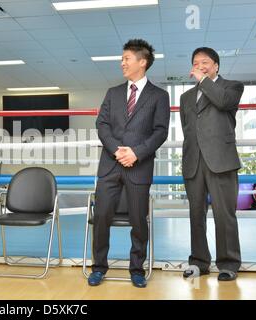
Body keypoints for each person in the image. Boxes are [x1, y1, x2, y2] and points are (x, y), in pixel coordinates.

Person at [89, 39, 170, 288]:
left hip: (139, 166)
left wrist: (136, 153)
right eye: (122, 58)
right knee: (101, 217)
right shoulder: (112, 93)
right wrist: (117, 151)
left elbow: (160, 132)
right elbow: (101, 125)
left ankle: (137, 269)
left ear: (142, 62)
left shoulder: (160, 96)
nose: (122, 62)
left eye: (126, 58)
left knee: (138, 220)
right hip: (110, 165)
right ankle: (99, 267)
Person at [180, 47, 243, 281]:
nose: (200, 65)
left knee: (224, 215)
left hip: (221, 161)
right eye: (196, 62)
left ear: (216, 65)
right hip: (194, 162)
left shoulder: (232, 87)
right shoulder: (186, 97)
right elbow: (188, 128)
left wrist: (204, 81)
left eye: (205, 62)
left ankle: (228, 264)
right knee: (196, 214)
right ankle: (198, 262)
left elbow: (223, 103)